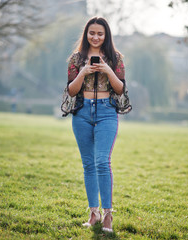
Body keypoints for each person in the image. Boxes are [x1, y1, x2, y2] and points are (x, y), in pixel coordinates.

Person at [64, 16, 131, 233]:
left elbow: (120, 89)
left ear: (106, 36)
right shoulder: (76, 58)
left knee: (102, 161)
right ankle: (94, 213)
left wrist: (107, 70)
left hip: (106, 112)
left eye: (100, 33)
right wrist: (83, 72)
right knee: (88, 164)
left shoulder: (115, 58)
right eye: (92, 33)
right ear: (86, 34)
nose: (95, 37)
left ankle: (108, 215)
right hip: (82, 112)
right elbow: (71, 91)